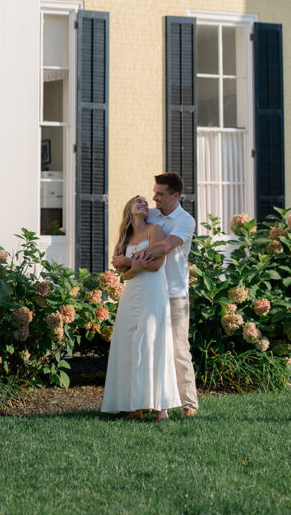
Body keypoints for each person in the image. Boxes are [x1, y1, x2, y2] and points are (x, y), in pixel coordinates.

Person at [112, 172, 198, 417]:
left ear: (175, 195)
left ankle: (188, 403)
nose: (154, 197)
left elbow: (165, 246)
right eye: (155, 192)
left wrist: (129, 259)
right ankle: (145, 400)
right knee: (145, 345)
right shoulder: (152, 213)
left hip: (174, 292)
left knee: (178, 349)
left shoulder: (185, 220)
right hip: (147, 290)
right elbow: (134, 225)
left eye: (160, 194)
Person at [100, 195, 181, 421]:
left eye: (146, 203)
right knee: (128, 342)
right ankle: (135, 405)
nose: (144, 205)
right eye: (139, 202)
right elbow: (124, 276)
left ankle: (161, 407)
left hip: (153, 291)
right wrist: (132, 267)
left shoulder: (155, 230)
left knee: (152, 341)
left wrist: (127, 262)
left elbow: (156, 265)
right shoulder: (124, 239)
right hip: (131, 291)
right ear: (129, 208)